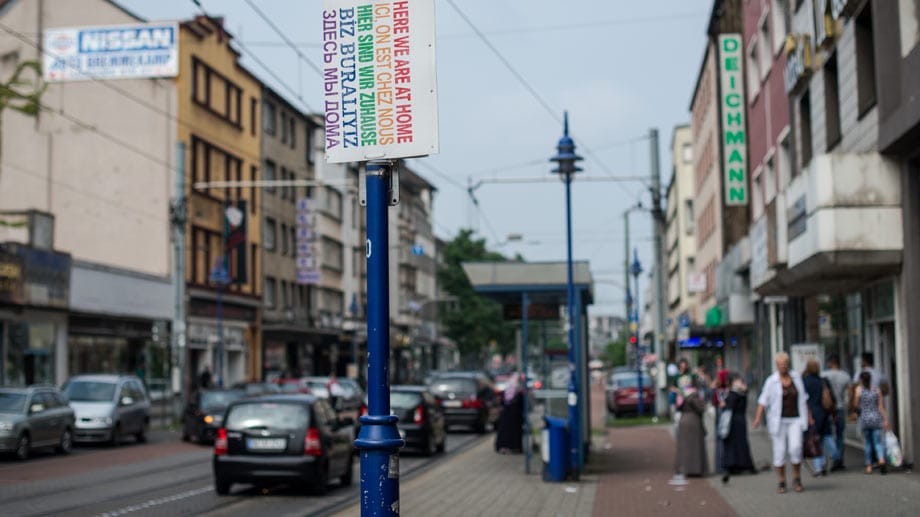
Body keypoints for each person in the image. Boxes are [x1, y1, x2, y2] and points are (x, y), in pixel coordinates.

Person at [752, 352, 810, 494]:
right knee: (780, 451)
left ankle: (797, 478)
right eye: (781, 364)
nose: (784, 366)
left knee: (796, 448)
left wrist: (809, 416)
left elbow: (803, 398)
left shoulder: (796, 378)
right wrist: (757, 418)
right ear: (777, 365)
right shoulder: (771, 381)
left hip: (796, 418)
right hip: (779, 421)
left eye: (786, 363)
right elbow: (762, 400)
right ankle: (781, 481)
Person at [802, 359, 837, 477]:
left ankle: (818, 466)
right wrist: (834, 414)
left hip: (812, 414)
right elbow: (832, 399)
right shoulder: (823, 381)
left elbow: (803, 400)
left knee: (816, 441)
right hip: (824, 413)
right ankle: (835, 454)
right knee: (827, 437)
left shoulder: (804, 382)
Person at [720, 373, 756, 483]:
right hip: (738, 420)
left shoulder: (734, 393)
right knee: (740, 442)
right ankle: (739, 464)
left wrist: (724, 403)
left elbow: (728, 406)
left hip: (735, 421)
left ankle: (735, 464)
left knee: (736, 443)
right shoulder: (738, 393)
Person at [855, 371, 889, 475]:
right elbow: (881, 407)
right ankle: (881, 460)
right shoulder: (877, 390)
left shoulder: (859, 390)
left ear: (861, 380)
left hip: (865, 419)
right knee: (878, 443)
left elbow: (855, 405)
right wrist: (886, 420)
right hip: (876, 418)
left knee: (868, 444)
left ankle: (869, 466)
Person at [822, 355, 850, 471]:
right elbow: (850, 392)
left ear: (830, 363)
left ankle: (830, 458)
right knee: (840, 434)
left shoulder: (824, 375)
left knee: (827, 435)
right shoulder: (845, 376)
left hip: (827, 410)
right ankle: (838, 460)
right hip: (839, 407)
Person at [674, 386, 707, 477]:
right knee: (696, 447)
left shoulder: (681, 395)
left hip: (683, 420)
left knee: (684, 447)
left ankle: (685, 468)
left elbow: (678, 407)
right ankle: (696, 469)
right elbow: (701, 409)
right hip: (694, 421)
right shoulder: (694, 395)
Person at [495, 374, 524, 454]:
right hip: (515, 416)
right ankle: (514, 447)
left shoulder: (506, 390)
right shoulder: (518, 392)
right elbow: (522, 405)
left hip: (505, 415)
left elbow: (502, 403)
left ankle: (504, 447)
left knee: (504, 432)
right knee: (514, 432)